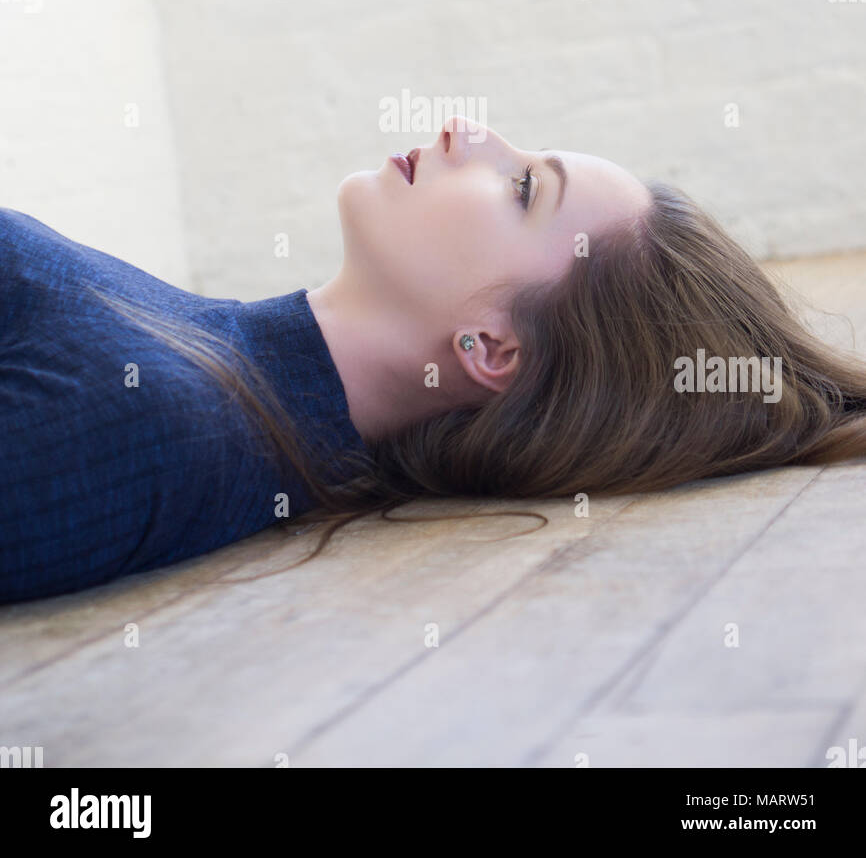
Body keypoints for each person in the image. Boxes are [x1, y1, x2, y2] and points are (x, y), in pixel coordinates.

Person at [2, 116, 863, 604]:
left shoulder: (157, 423)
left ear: (489, 348)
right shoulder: (192, 347)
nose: (470, 130)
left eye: (523, 187)